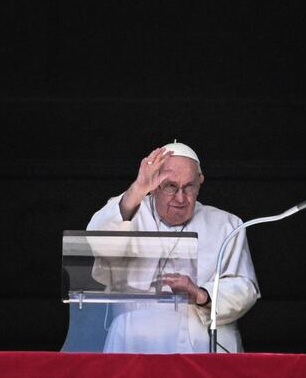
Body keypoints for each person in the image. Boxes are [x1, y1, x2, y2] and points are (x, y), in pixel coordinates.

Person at [87, 142, 259, 353]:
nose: (180, 198)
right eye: (170, 186)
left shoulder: (226, 224)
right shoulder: (129, 211)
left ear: (200, 182)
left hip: (201, 345)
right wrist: (138, 188)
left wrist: (200, 294)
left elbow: (245, 288)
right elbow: (96, 242)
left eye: (189, 187)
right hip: (133, 344)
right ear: (155, 184)